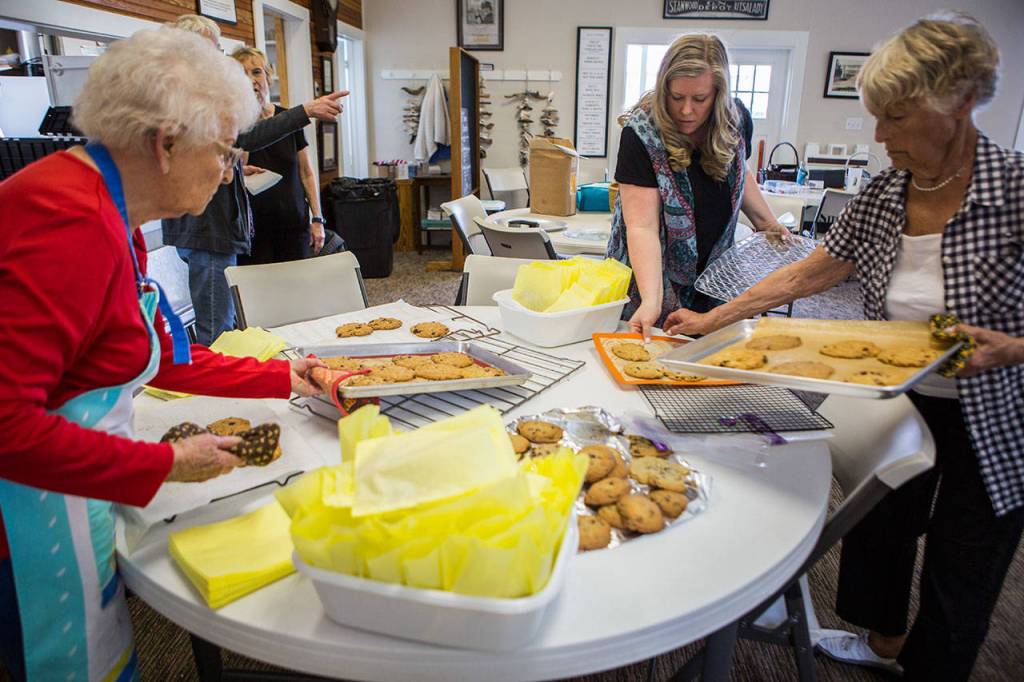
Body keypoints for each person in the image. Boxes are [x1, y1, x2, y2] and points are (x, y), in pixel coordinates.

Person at [665, 12, 1024, 681]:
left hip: (998, 406)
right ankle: (881, 643)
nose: (880, 135)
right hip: (902, 388)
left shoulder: (1017, 189)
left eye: (896, 118)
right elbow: (814, 269)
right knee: (883, 527)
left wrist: (1014, 348)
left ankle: (933, 669)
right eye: (877, 116)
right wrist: (717, 320)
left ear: (963, 103)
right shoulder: (890, 188)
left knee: (963, 558)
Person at [0, 27, 324, 682]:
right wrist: (164, 462)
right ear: (167, 143)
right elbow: (6, 424)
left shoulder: (116, 215)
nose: (232, 169)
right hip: (27, 528)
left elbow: (161, 357)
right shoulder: (67, 223)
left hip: (72, 492)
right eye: (226, 150)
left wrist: (283, 375)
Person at [161, 15, 347, 344]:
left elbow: (204, 151)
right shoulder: (186, 97)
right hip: (208, 231)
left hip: (212, 229)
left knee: (227, 325)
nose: (220, 58)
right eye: (213, 49)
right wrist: (305, 111)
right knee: (219, 334)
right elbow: (243, 138)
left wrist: (231, 169)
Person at [606, 33, 789, 341]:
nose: (687, 110)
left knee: (708, 362)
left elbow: (739, 175)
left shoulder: (737, 119)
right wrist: (652, 300)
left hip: (714, 275)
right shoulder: (640, 133)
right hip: (652, 276)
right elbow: (642, 227)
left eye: (699, 99)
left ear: (718, 93)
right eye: (677, 98)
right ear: (664, 88)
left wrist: (767, 223)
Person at [231, 46, 325, 264]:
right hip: (254, 228)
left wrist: (317, 218)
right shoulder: (237, 125)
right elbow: (239, 164)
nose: (251, 79)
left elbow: (306, 172)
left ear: (267, 76)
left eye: (256, 72)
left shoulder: (288, 119)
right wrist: (248, 114)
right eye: (242, 74)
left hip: (293, 223)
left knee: (296, 290)